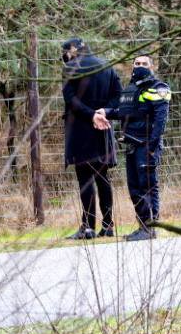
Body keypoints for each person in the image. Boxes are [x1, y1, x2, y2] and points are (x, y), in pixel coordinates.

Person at [94, 55, 171, 241]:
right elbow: (124, 113)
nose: (140, 66)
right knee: (134, 188)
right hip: (131, 145)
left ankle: (150, 228)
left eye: (145, 64)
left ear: (152, 67)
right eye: (137, 63)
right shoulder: (130, 90)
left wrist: (152, 146)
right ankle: (143, 226)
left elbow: (161, 120)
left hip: (146, 145)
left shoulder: (159, 88)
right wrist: (105, 112)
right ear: (132, 66)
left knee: (148, 186)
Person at [62, 38, 122, 240]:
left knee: (85, 179)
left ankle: (88, 227)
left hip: (81, 129)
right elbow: (118, 96)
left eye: (66, 52)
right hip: (103, 128)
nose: (65, 57)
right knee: (103, 178)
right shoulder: (108, 66)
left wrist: (91, 115)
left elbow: (71, 99)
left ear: (72, 50)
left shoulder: (71, 67)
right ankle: (108, 225)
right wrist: (103, 112)